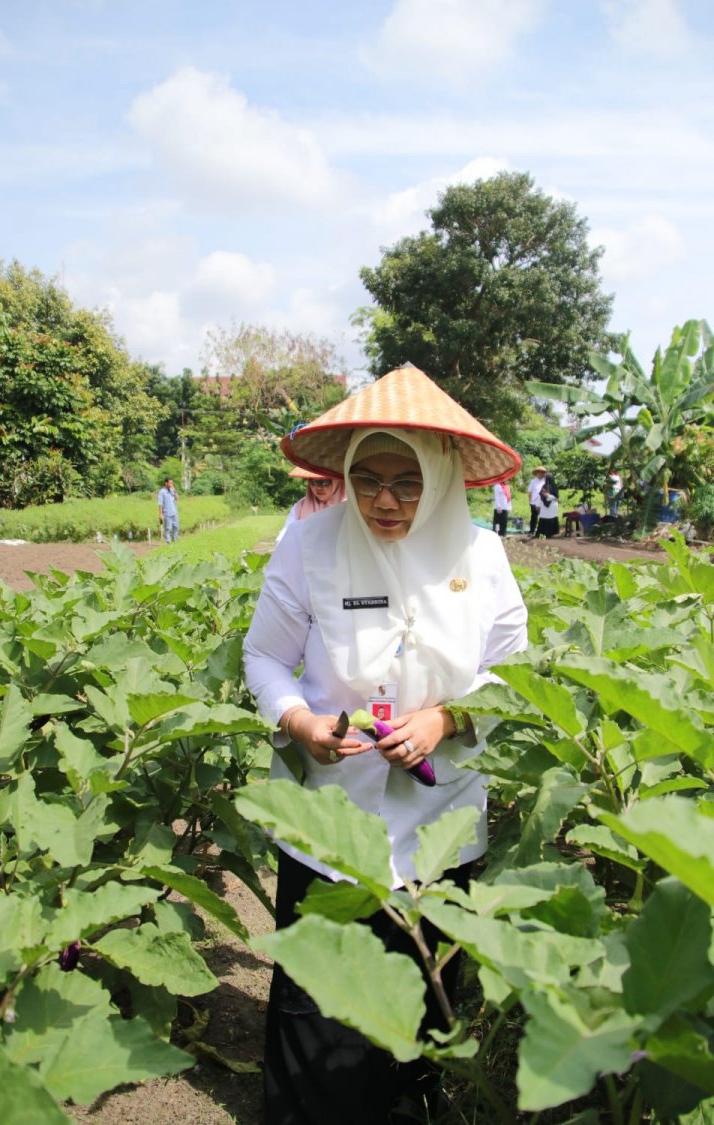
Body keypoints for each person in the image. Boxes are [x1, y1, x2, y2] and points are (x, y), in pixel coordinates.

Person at [243, 364, 528, 1125]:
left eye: (407, 482)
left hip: (444, 831)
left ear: (439, 476)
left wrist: (448, 720)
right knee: (318, 1016)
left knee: (419, 1021)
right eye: (367, 480)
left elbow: (515, 674)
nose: (385, 501)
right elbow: (264, 656)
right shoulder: (309, 546)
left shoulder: (483, 559)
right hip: (332, 830)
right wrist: (303, 723)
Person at [275, 466, 346, 544]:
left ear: (337, 482)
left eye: (325, 482)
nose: (319, 487)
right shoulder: (300, 506)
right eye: (314, 482)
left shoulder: (350, 508)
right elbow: (285, 534)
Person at [535, 472, 560, 538]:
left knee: (551, 518)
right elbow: (540, 496)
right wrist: (538, 505)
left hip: (552, 505)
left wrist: (548, 495)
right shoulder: (543, 486)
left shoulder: (554, 487)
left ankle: (551, 533)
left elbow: (556, 498)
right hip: (544, 505)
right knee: (544, 518)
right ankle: (542, 533)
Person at [157, 477, 179, 543]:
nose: (171, 484)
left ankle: (175, 540)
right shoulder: (162, 492)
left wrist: (174, 491)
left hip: (174, 512)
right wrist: (160, 514)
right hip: (167, 513)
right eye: (170, 483)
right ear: (166, 483)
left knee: (176, 526)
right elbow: (160, 504)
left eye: (172, 483)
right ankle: (168, 541)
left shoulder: (172, 490)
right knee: (168, 528)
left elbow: (177, 498)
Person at [527, 466, 547, 535]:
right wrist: (529, 501)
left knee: (543, 517)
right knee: (534, 517)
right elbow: (530, 492)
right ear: (537, 473)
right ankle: (532, 531)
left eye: (542, 473)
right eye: (539, 472)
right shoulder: (533, 481)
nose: (540, 474)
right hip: (534, 502)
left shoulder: (545, 481)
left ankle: (541, 531)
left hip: (542, 502)